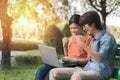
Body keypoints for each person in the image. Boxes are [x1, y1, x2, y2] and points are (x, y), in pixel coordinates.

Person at [49, 11, 118, 80]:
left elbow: (99, 58)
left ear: (93, 24)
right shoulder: (93, 37)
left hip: (101, 71)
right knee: (54, 72)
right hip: (87, 68)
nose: (84, 29)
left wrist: (82, 44)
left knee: (78, 76)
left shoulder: (107, 38)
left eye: (85, 25)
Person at [35, 14, 92, 80]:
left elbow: (89, 60)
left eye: (76, 28)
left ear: (82, 26)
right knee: (40, 71)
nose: (73, 31)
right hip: (68, 64)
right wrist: (64, 46)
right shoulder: (72, 38)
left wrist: (73, 60)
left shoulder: (89, 39)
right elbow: (67, 56)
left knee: (50, 73)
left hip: (79, 66)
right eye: (71, 28)